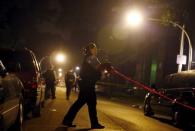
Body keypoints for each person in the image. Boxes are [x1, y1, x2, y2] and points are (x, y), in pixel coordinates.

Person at [62, 42, 112, 129]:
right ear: (91, 49)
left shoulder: (89, 58)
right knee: (84, 104)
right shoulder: (91, 58)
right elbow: (98, 67)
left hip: (88, 84)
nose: (96, 50)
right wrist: (106, 65)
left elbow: (98, 70)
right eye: (95, 48)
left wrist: (105, 68)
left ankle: (70, 120)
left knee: (89, 104)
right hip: (87, 85)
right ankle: (92, 123)